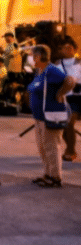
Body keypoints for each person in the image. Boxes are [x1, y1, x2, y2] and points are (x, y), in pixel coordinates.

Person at [26, 45, 74, 188]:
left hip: (50, 116)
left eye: (31, 55)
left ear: (38, 56)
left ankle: (55, 177)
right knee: (43, 147)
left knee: (51, 147)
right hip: (39, 116)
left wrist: (60, 94)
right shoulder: (39, 71)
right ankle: (47, 173)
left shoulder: (52, 70)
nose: (29, 58)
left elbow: (70, 81)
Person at [57, 37, 81, 162]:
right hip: (64, 96)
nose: (67, 50)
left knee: (69, 123)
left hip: (77, 97)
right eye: (64, 48)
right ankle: (70, 149)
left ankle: (70, 150)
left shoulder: (79, 62)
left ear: (75, 49)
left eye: (69, 48)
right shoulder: (57, 64)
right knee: (66, 124)